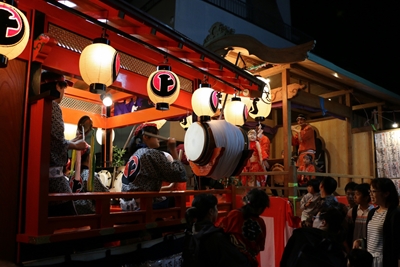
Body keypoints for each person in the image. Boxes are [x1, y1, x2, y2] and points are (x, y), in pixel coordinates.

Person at [41, 71, 87, 216]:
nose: (64, 93)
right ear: (56, 86)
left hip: (36, 178)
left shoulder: (38, 102)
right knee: (69, 223)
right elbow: (56, 141)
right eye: (63, 88)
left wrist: (70, 142)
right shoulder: (52, 105)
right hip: (53, 179)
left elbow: (51, 140)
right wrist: (75, 145)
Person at [121, 123, 187, 210]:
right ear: (146, 137)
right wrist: (173, 149)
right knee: (173, 199)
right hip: (142, 205)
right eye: (156, 136)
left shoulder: (135, 155)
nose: (158, 139)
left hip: (127, 205)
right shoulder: (151, 154)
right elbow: (180, 175)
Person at [181, 194, 251, 267]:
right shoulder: (215, 237)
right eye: (216, 208)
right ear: (211, 211)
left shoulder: (189, 232)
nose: (217, 211)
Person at [353, 177, 400, 267]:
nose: (370, 194)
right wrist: (361, 241)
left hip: (384, 260)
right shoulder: (372, 212)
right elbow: (373, 238)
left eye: (374, 191)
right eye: (370, 191)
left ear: (386, 193)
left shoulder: (395, 214)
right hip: (370, 259)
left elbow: (396, 242)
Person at [280, 206, 347, 267]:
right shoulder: (340, 251)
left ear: (323, 223)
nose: (312, 220)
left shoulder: (301, 236)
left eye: (315, 218)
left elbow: (285, 261)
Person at [217, 188, 270, 266]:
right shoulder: (260, 222)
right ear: (261, 208)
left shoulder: (234, 214)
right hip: (248, 261)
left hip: (227, 258)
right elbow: (259, 247)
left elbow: (221, 233)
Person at [71, 144, 109, 215]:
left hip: (73, 212)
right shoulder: (90, 175)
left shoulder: (71, 175)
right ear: (89, 157)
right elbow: (105, 194)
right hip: (88, 214)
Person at [345, 183, 374, 250]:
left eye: (357, 194)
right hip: (354, 247)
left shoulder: (373, 212)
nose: (354, 197)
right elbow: (347, 229)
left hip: (368, 248)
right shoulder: (353, 211)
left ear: (366, 197)